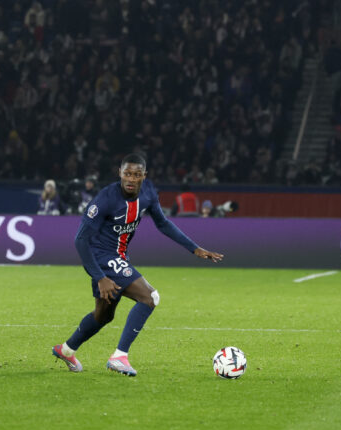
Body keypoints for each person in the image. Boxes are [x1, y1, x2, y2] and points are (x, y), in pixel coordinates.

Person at [51, 153, 223, 377]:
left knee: (104, 315)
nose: (131, 179)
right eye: (127, 174)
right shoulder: (105, 198)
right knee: (149, 297)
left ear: (144, 176)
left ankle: (66, 350)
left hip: (118, 258)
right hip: (101, 257)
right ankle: (119, 357)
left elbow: (163, 223)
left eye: (136, 174)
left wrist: (195, 248)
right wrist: (100, 277)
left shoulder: (149, 192)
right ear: (119, 173)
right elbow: (80, 240)